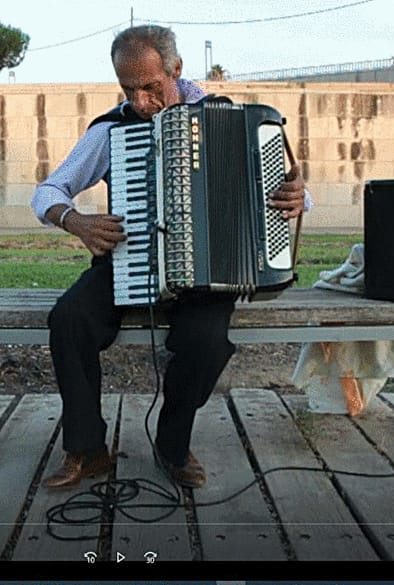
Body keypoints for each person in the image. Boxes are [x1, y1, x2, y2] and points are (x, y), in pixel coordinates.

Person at [30, 25, 308, 489]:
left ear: (176, 70)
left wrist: (298, 197)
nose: (139, 101)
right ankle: (88, 449)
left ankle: (173, 445)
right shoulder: (112, 129)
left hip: (210, 274)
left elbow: (288, 193)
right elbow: (48, 190)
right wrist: (74, 221)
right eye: (128, 89)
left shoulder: (231, 120)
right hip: (128, 262)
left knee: (206, 344)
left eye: (150, 87)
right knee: (69, 319)